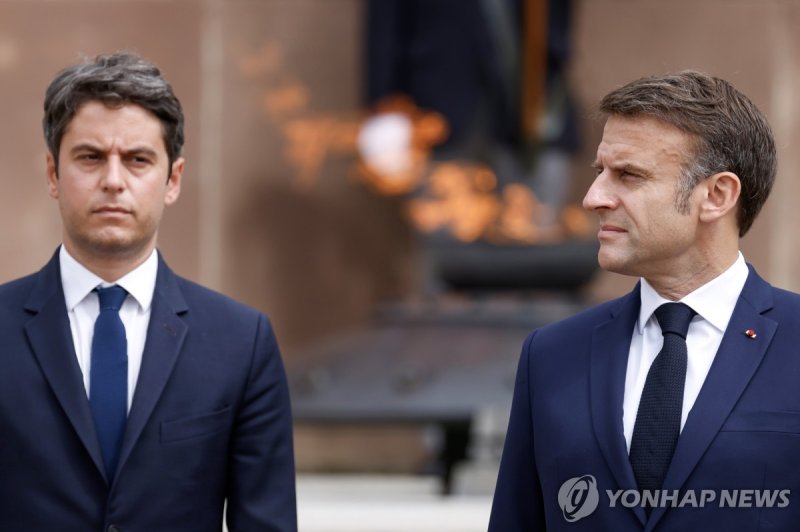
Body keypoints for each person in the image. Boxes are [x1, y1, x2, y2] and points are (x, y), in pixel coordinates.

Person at [489, 71, 800, 530]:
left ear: (716, 195)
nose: (594, 198)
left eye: (628, 175)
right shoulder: (551, 355)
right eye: (600, 173)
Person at [0, 52, 297, 531]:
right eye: (90, 157)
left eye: (137, 160)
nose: (113, 181)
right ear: (53, 174)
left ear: (172, 179)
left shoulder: (242, 343)